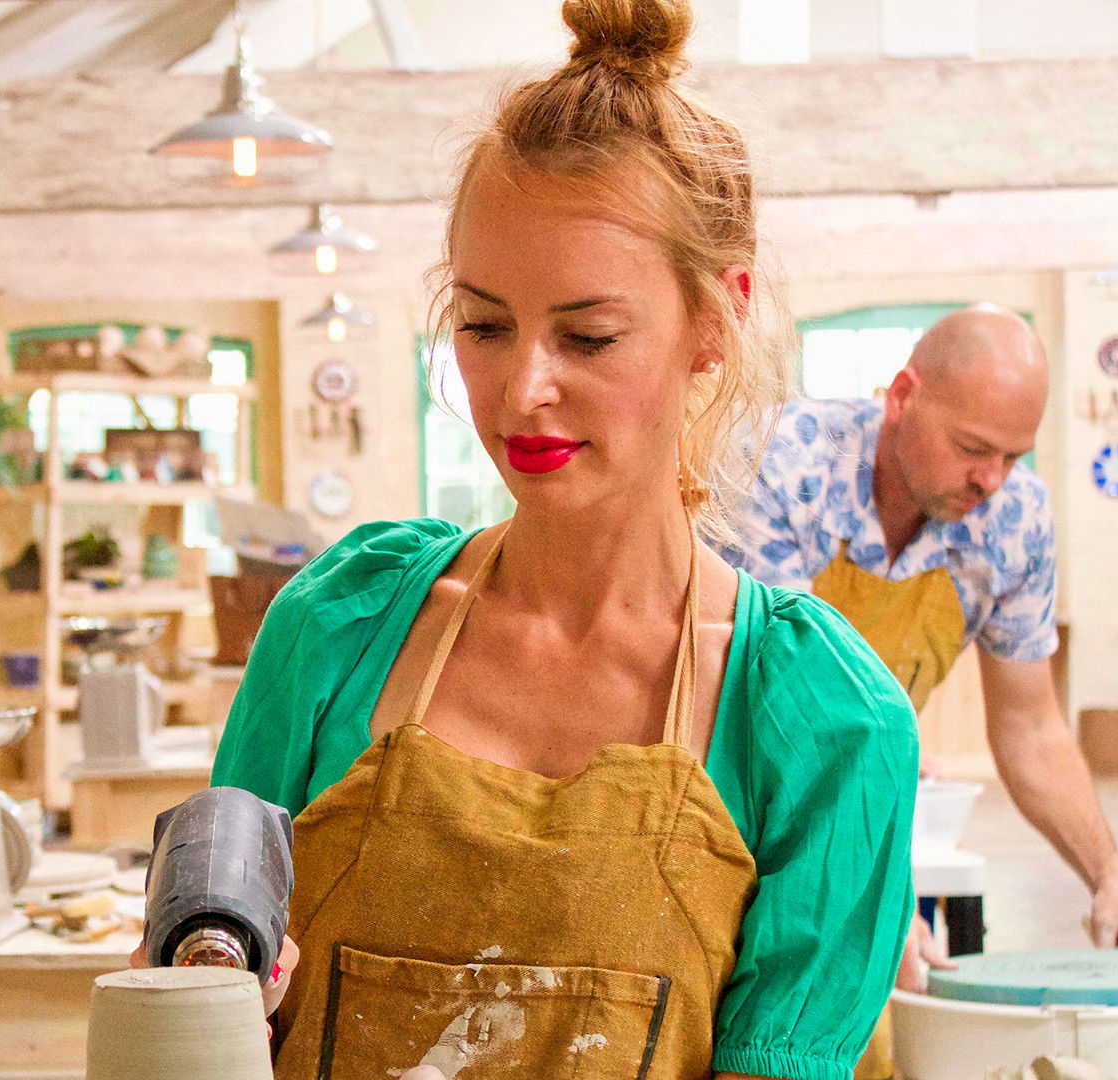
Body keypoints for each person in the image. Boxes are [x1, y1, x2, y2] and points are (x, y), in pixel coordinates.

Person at [198, 2, 918, 1078]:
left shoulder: (820, 728)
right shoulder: (340, 632)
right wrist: (195, 979)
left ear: (715, 321)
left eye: (588, 335)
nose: (524, 390)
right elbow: (206, 1001)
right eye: (485, 327)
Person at [718, 305, 1118, 990]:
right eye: (972, 447)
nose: (992, 480)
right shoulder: (783, 461)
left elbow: (1030, 728)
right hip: (737, 801)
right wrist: (880, 896)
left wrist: (1110, 879)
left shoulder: (1013, 523)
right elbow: (785, 715)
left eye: (1013, 456)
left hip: (857, 811)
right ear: (902, 398)